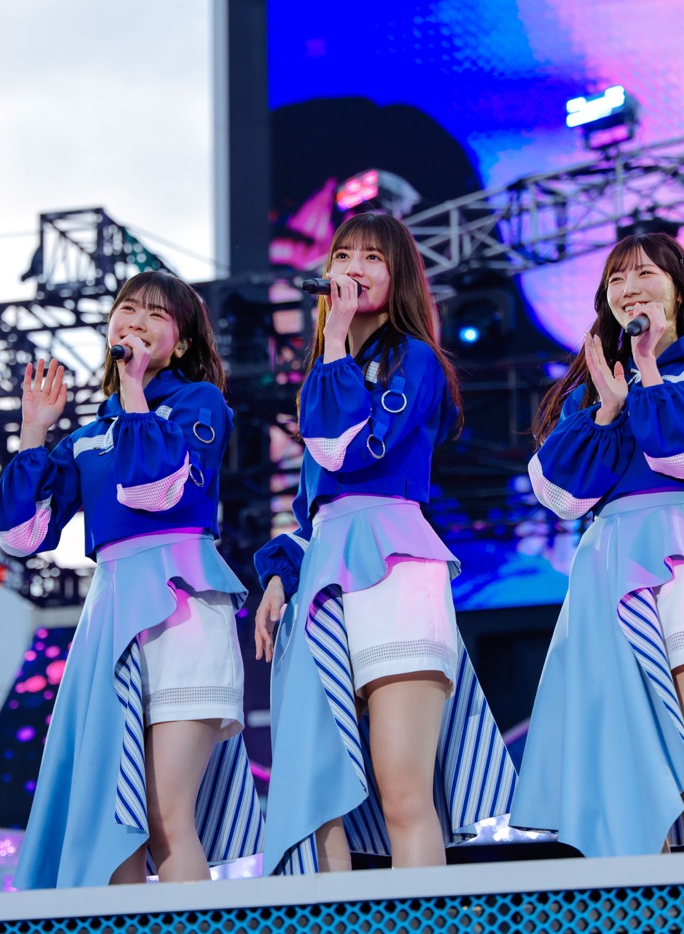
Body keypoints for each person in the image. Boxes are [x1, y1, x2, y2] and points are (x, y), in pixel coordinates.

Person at [253, 213, 517, 875]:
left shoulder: (415, 359)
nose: (355, 268)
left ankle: (424, 920)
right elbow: (315, 504)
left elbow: (348, 450)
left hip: (396, 570)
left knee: (403, 795)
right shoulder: (324, 373)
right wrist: (281, 573)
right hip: (323, 577)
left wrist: (334, 342)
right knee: (318, 801)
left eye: (374, 257)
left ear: (398, 276)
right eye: (344, 255)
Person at [0, 270, 262, 888]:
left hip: (182, 608)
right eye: (128, 309)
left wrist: (134, 388)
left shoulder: (200, 404)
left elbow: (156, 489)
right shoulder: (88, 438)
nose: (136, 321)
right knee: (112, 827)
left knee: (165, 818)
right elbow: (23, 535)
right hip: (111, 617)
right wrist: (35, 430)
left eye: (156, 315)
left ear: (182, 343)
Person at [511, 232, 684, 857]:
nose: (629, 288)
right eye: (616, 278)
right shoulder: (593, 384)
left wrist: (649, 372)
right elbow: (561, 496)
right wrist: (605, 410)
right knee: (621, 780)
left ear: (679, 288)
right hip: (606, 570)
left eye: (645, 273)